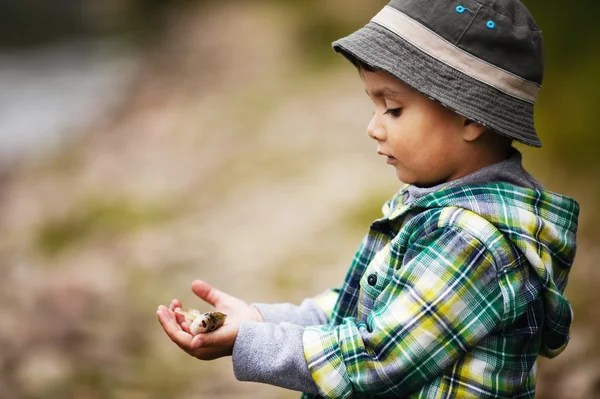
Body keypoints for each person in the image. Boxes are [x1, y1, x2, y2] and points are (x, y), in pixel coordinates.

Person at [156, 0, 580, 397]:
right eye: (374, 106)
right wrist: (261, 319)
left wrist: (250, 342)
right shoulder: (439, 207)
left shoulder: (476, 240)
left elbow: (378, 355)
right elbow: (357, 312)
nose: (373, 128)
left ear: (471, 117)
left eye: (392, 109)